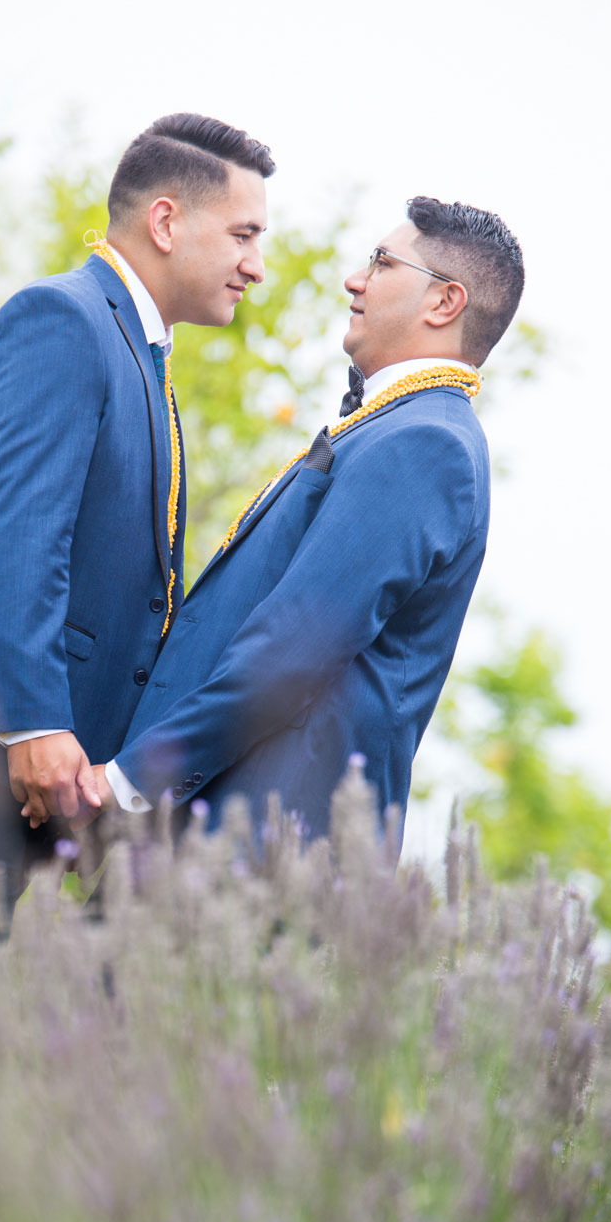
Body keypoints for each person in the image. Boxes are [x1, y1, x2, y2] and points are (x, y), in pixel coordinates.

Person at [0, 112, 274, 944]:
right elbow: (17, 537)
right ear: (166, 221)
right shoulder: (62, 321)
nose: (257, 265)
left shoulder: (138, 351)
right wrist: (33, 724)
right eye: (245, 234)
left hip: (14, 773)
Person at [91, 197, 524, 848]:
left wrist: (132, 782)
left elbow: (293, 648)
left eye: (381, 263)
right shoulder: (398, 428)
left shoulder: (424, 443)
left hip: (261, 853)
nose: (355, 279)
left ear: (444, 303)